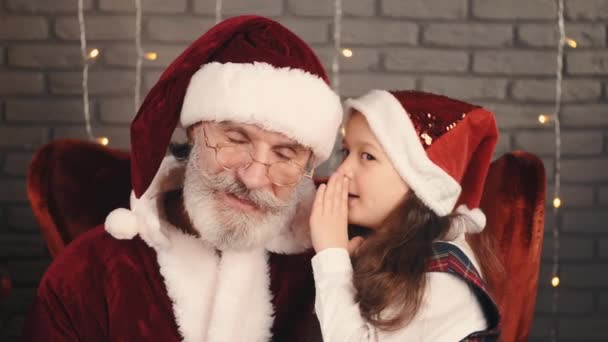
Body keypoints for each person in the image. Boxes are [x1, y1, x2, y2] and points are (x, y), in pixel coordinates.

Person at [22, 15, 342, 342]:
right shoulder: (88, 273)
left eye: (285, 154)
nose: (255, 177)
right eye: (236, 139)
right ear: (193, 132)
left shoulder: (329, 277)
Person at [309, 90, 502, 341]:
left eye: (367, 156)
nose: (342, 171)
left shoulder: (442, 280)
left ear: (418, 181)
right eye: (346, 153)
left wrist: (331, 258)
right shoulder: (376, 247)